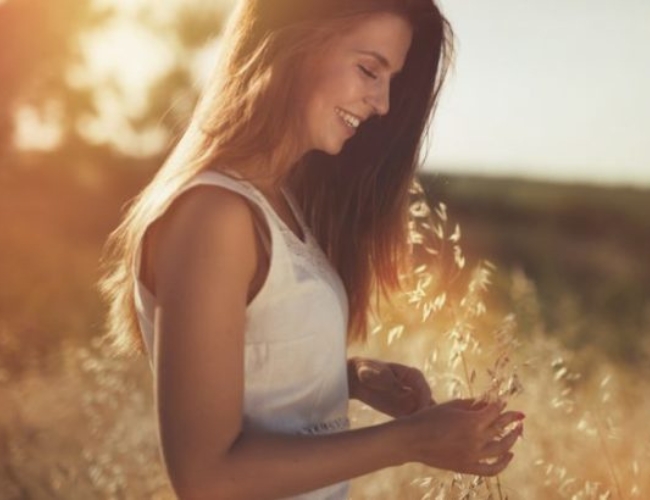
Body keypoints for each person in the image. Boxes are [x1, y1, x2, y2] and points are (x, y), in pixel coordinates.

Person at [98, 0, 524, 498]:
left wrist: (346, 379)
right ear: (290, 43)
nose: (383, 103)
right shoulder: (215, 215)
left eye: (390, 79)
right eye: (369, 69)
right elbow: (206, 478)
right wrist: (412, 440)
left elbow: (254, 378)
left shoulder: (280, 204)